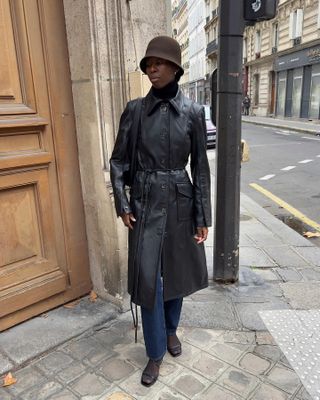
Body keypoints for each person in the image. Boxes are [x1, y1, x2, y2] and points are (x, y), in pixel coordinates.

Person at [110, 36, 211, 387]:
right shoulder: (135, 110)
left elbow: (200, 168)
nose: (151, 68)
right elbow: (119, 161)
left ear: (175, 68)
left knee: (178, 276)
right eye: (148, 64)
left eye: (158, 63)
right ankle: (154, 353)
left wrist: (202, 217)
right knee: (149, 281)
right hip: (145, 204)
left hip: (181, 202)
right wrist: (123, 204)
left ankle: (171, 331)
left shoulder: (193, 113)